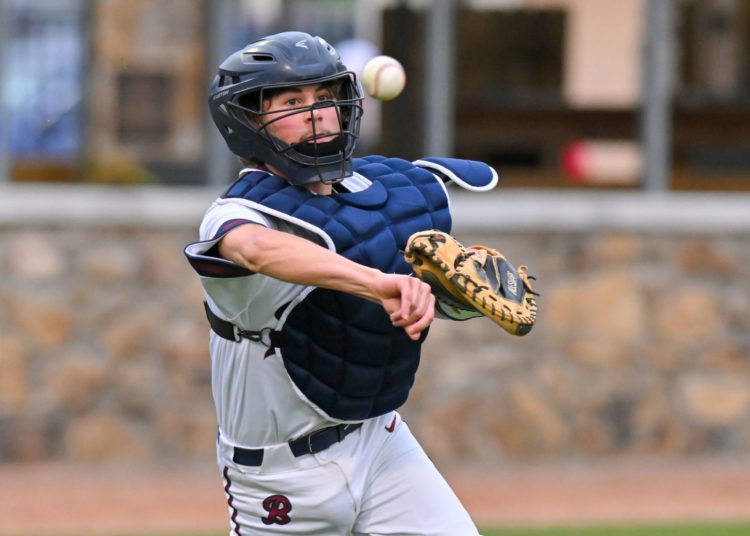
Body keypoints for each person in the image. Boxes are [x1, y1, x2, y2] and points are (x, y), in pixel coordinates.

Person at [185, 31, 497, 535]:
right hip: (283, 478)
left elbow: (398, 275)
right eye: (292, 102)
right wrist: (376, 283)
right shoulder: (241, 214)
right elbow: (256, 249)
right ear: (249, 121)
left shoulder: (377, 191)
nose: (316, 114)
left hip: (381, 442)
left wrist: (450, 297)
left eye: (325, 98)